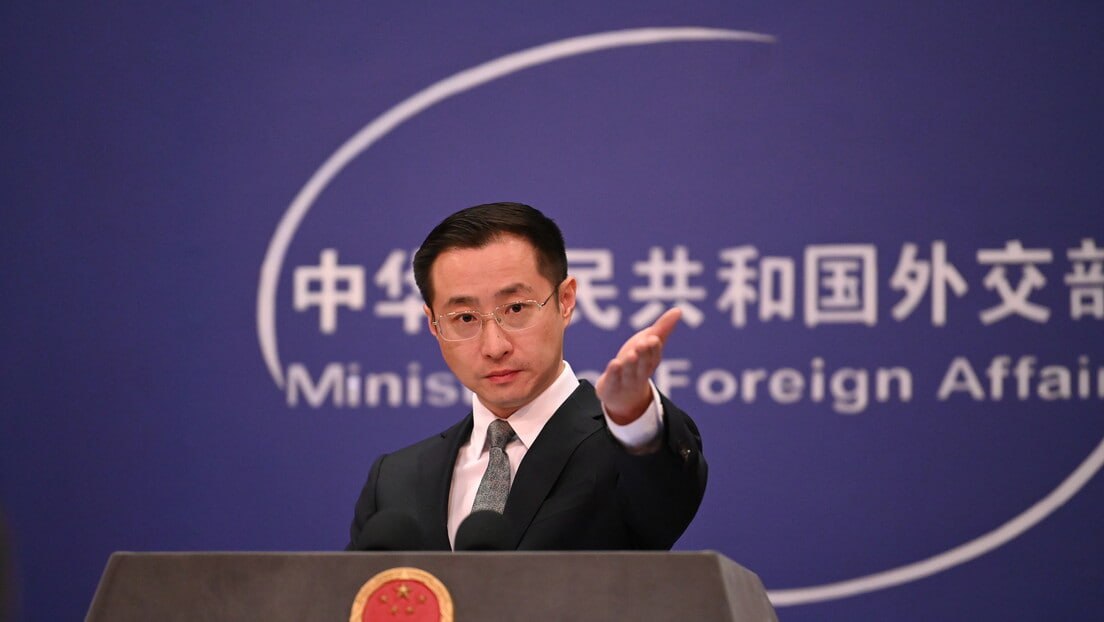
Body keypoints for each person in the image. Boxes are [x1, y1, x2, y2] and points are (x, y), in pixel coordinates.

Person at [346, 202, 706, 550]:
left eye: (516, 308)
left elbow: (666, 500)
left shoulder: (623, 448)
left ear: (565, 300)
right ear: (434, 325)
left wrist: (633, 417)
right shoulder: (395, 480)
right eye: (465, 318)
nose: (494, 346)